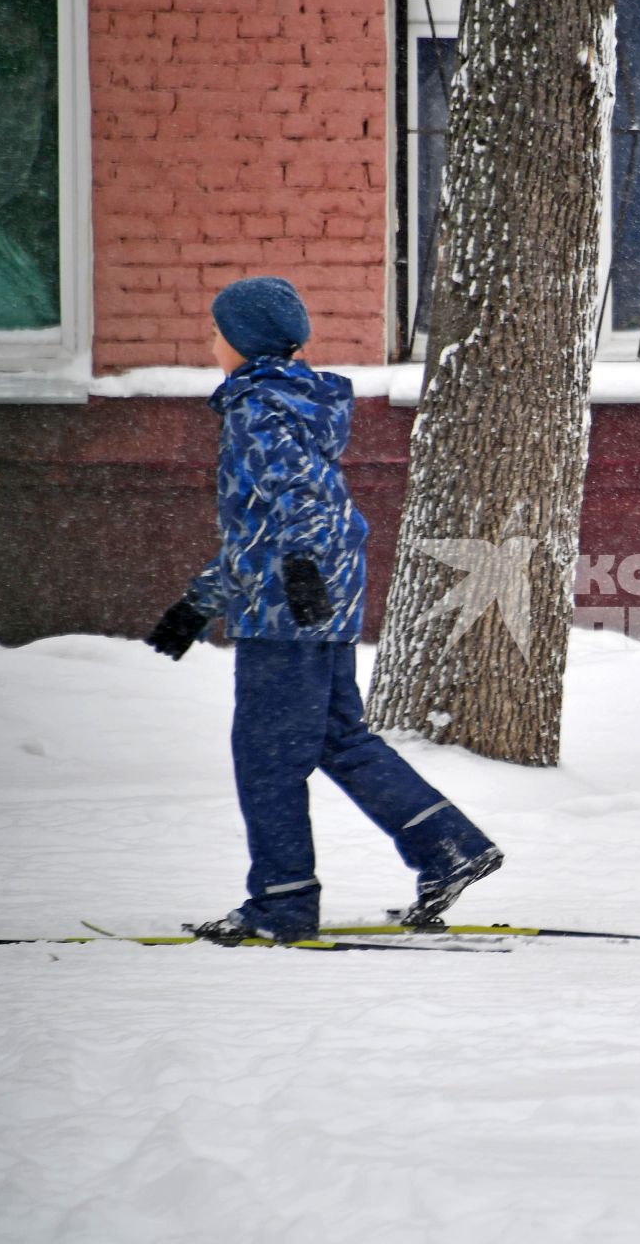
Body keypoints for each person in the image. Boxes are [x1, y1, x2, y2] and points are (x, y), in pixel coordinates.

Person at [145, 276, 502, 943]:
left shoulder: (257, 406)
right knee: (339, 738)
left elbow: (294, 504)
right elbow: (272, 519)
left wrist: (299, 575)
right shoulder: (298, 403)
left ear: (245, 345)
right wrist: (201, 602)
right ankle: (446, 845)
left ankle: (282, 901)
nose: (211, 343)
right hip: (320, 600)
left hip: (286, 611)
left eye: (218, 333)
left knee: (267, 757)